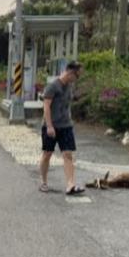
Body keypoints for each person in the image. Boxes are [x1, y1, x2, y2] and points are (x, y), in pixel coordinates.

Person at [39, 61, 84, 196]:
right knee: (47, 154)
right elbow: (46, 106)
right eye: (77, 75)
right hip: (51, 126)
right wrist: (49, 126)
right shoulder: (53, 86)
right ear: (70, 72)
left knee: (68, 154)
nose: (77, 79)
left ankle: (70, 185)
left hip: (66, 126)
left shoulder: (69, 86)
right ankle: (43, 182)